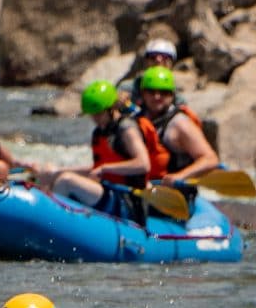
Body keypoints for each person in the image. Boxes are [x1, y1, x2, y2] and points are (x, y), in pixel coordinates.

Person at [31, 81, 168, 219]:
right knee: (50, 171)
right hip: (109, 190)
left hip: (128, 201)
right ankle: (38, 217)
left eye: (98, 114)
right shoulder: (100, 131)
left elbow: (143, 164)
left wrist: (105, 169)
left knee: (66, 181)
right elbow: (96, 168)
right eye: (92, 114)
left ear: (110, 109)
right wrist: (57, 172)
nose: (95, 118)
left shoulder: (127, 129)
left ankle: (49, 223)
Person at [135, 66, 219, 184]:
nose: (157, 97)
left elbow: (210, 159)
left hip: (173, 194)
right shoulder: (136, 119)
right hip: (144, 190)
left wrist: (181, 176)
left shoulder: (180, 124)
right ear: (143, 94)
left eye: (163, 92)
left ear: (172, 95)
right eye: (151, 91)